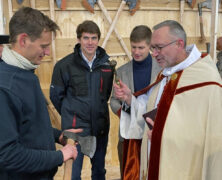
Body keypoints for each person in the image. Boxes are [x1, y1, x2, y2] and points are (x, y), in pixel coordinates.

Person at [114, 20, 222, 180]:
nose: (154, 53)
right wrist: (131, 99)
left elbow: (210, 136)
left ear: (179, 44)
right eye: (152, 48)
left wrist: (162, 134)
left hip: (184, 168)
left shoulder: (206, 79)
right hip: (157, 159)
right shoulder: (166, 73)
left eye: (159, 47)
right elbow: (155, 110)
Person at [0, 7, 79, 180]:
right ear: (23, 40)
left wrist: (56, 135)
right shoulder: (2, 88)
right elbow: (6, 155)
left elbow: (27, 124)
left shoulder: (26, 74)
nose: (47, 52)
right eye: (44, 46)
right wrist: (59, 156)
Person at [50, 20, 114, 180]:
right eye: (86, 38)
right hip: (75, 132)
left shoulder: (107, 65)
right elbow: (56, 97)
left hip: (100, 128)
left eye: (94, 38)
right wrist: (71, 114)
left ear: (98, 39)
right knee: (73, 174)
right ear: (79, 39)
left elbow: (104, 95)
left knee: (99, 172)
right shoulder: (64, 66)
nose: (90, 42)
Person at [110, 25, 160, 178]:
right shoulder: (121, 71)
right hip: (128, 135)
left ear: (150, 46)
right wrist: (126, 111)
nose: (136, 52)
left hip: (153, 134)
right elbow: (113, 101)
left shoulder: (162, 70)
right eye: (133, 47)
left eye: (141, 48)